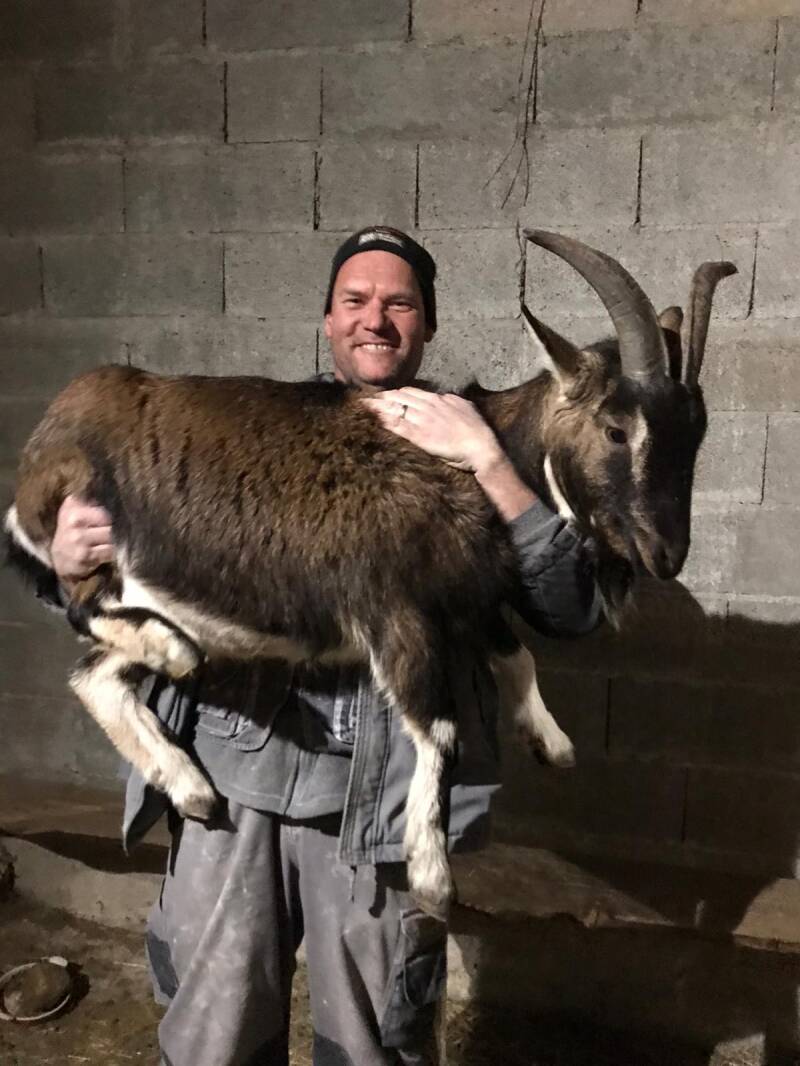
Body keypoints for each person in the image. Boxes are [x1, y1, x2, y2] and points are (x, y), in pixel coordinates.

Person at [47, 226, 601, 1066]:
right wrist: (68, 564)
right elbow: (139, 588)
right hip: (233, 782)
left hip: (377, 806)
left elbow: (569, 608)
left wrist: (490, 463)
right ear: (329, 319)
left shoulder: (475, 438)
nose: (375, 319)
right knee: (212, 1036)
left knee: (372, 1042)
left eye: (399, 304)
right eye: (355, 301)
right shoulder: (246, 436)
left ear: (428, 325)